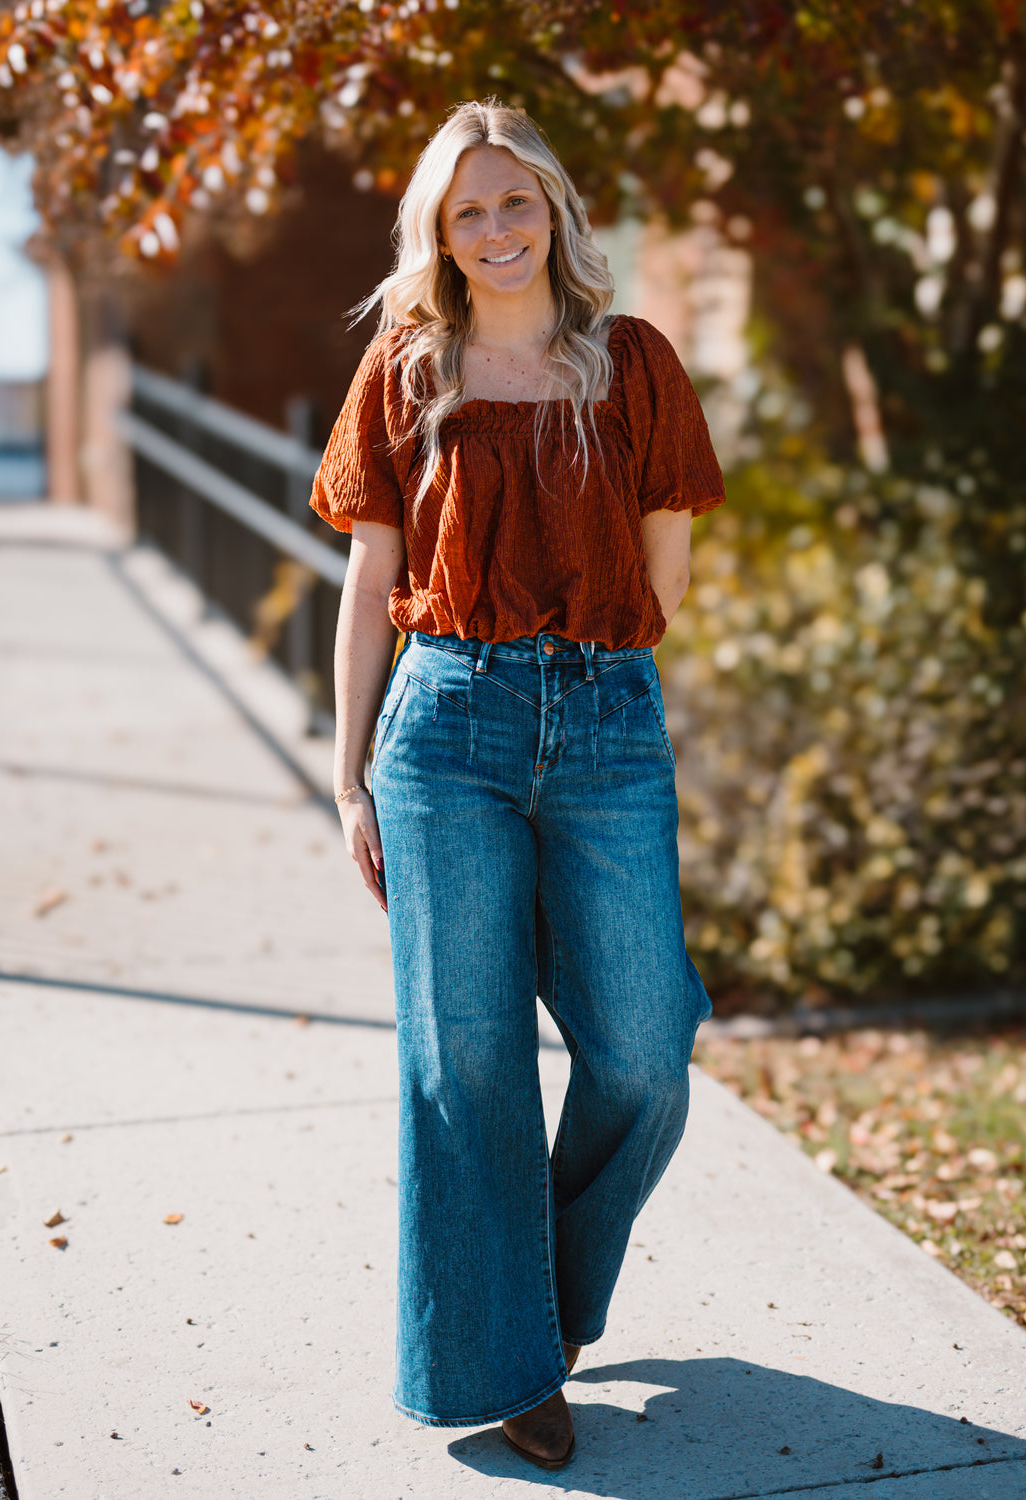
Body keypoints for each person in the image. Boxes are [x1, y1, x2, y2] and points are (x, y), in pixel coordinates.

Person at [310, 99, 724, 1470]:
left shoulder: (636, 364)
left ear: (554, 208)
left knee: (647, 1048)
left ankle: (525, 1301)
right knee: (468, 1062)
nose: (495, 229)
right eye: (466, 210)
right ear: (439, 231)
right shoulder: (407, 372)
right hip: (446, 731)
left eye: (514, 201)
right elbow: (371, 581)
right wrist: (350, 775)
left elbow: (666, 570)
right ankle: (509, 1363)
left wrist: (600, 655)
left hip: (606, 722)